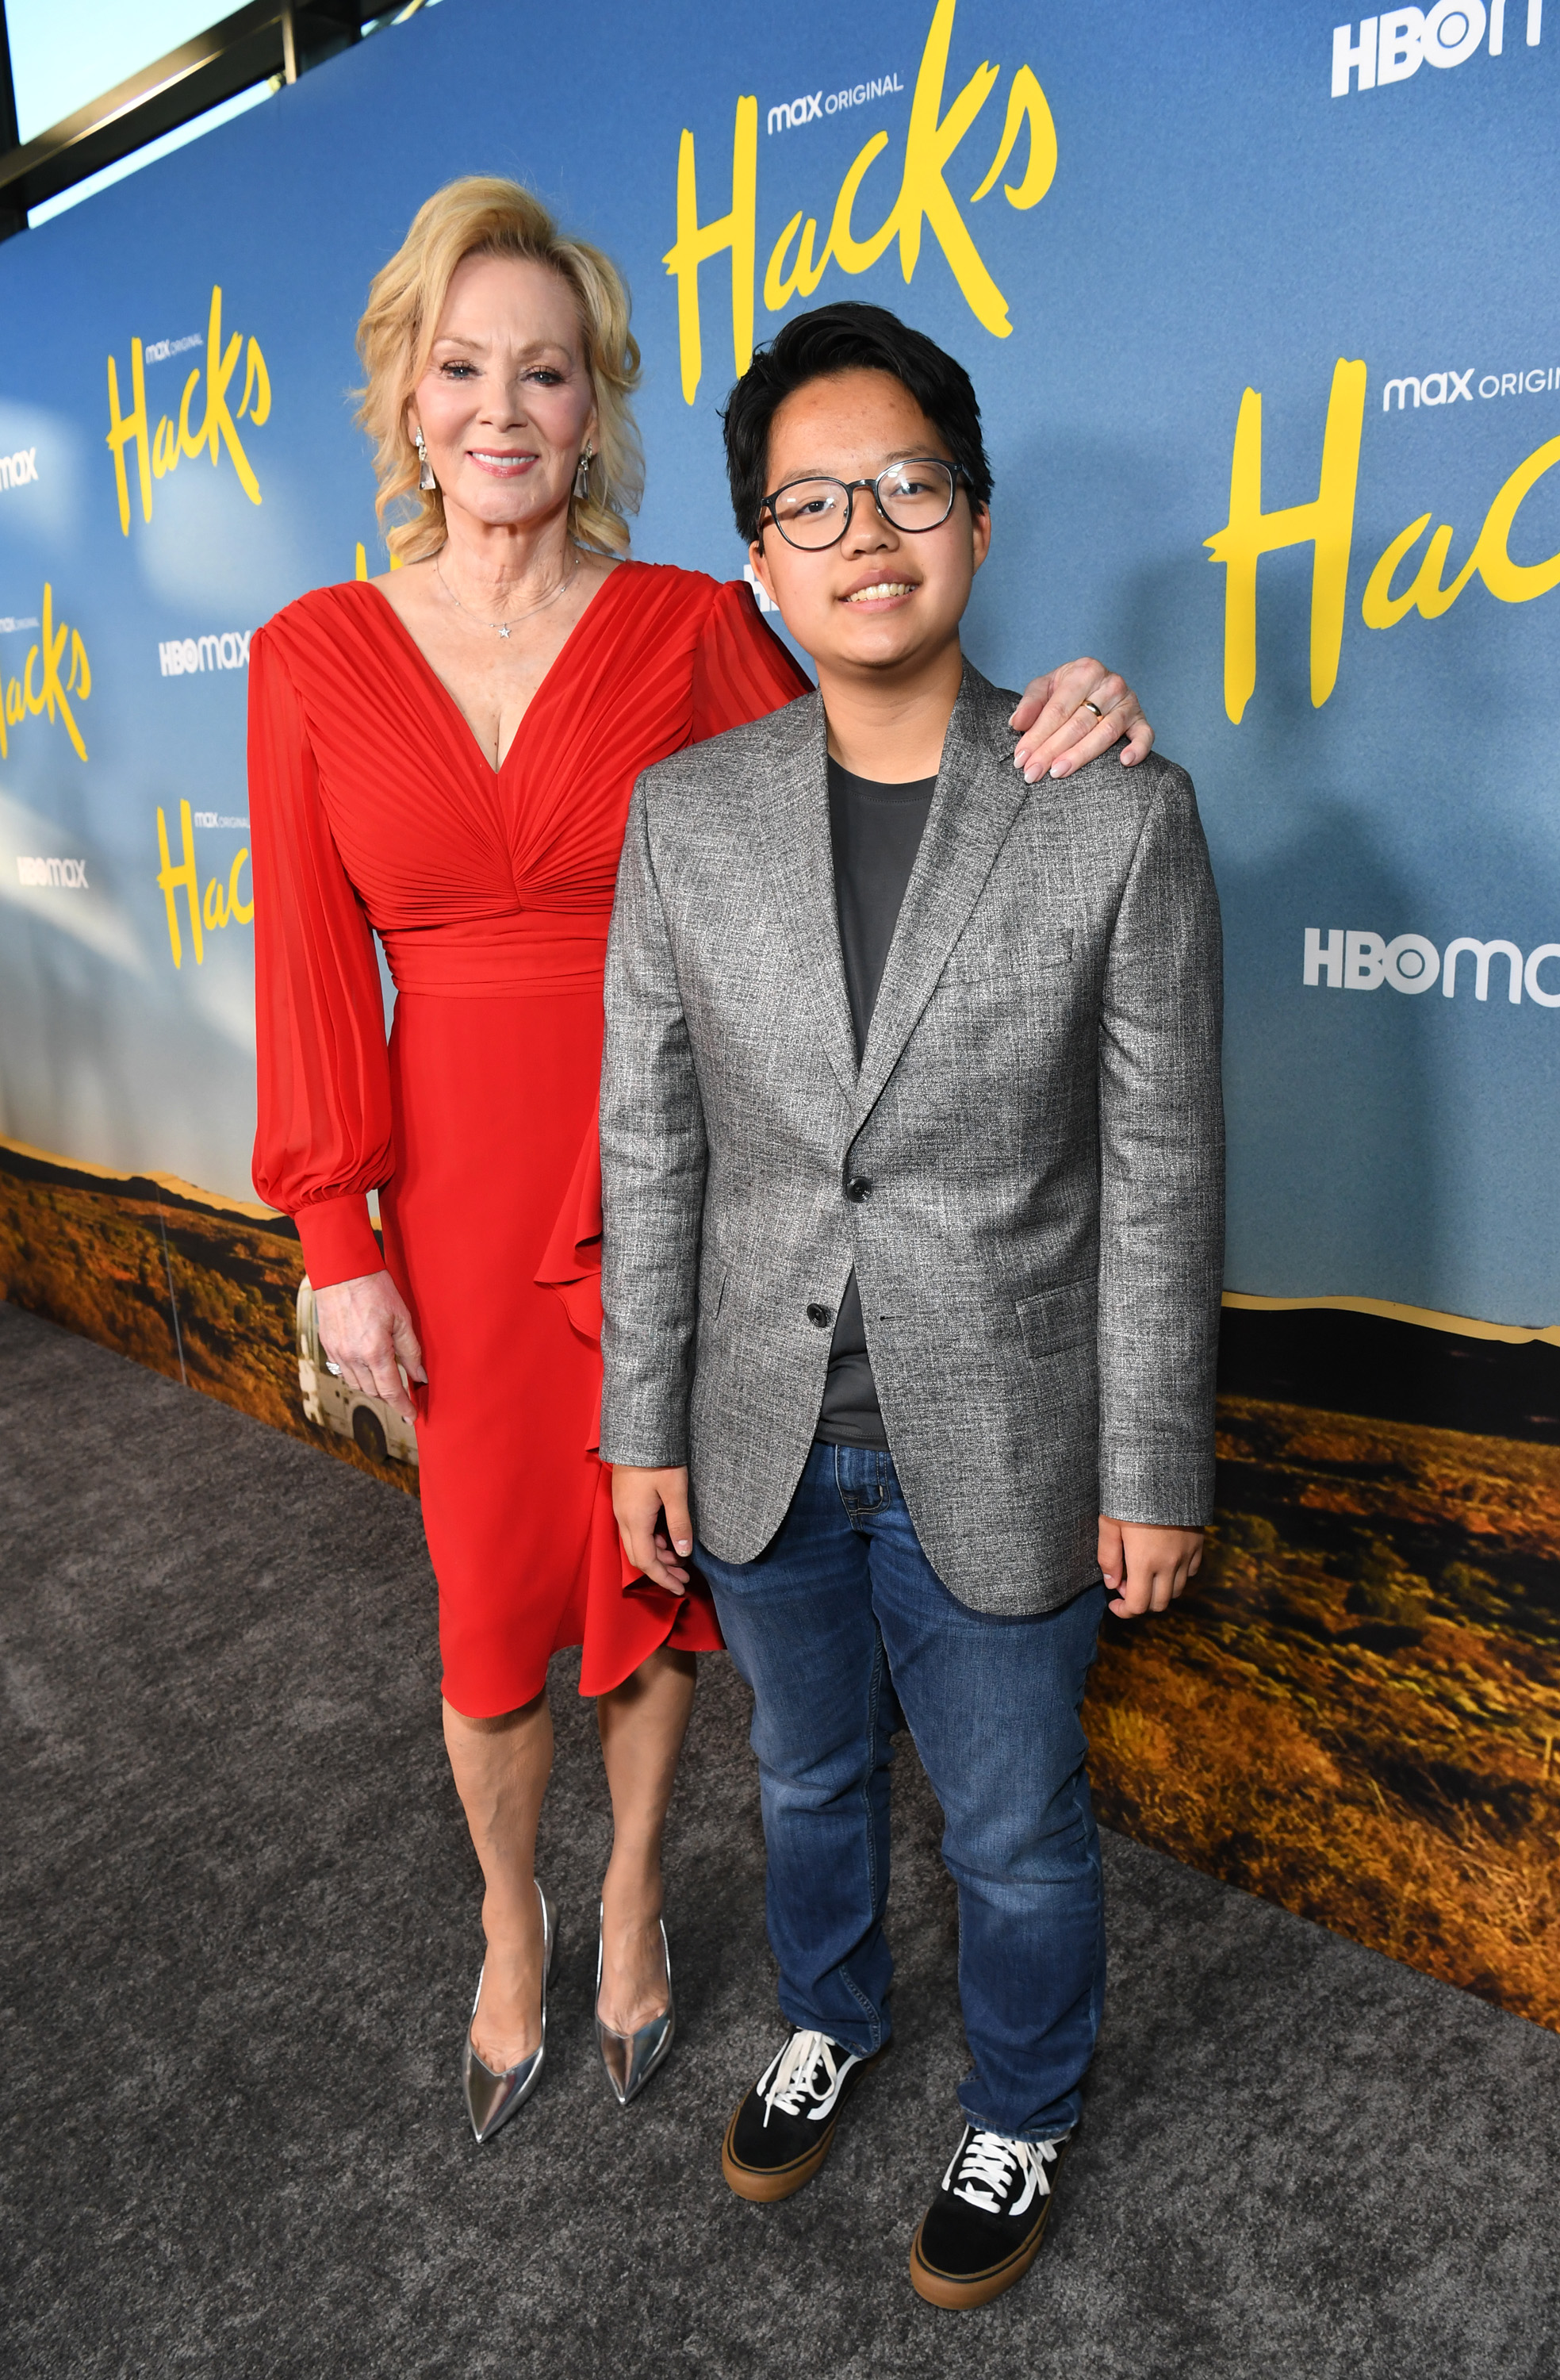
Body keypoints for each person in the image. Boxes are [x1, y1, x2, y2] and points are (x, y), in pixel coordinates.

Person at [248, 179, 1162, 2146]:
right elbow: (312, 969)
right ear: (408, 397)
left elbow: (882, 757)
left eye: (548, 372)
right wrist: (340, 1232)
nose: (504, 407)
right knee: (493, 1617)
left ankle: (639, 1897)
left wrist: (1074, 717)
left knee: (652, 1581)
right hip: (460, 1206)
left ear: (598, 412)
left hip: (681, 1202)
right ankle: (511, 1925)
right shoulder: (310, 653)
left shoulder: (688, 622)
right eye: (463, 366)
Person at [601, 302, 1223, 2303]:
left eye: (908, 486)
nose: (866, 532)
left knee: (1020, 1832)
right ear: (760, 564)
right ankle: (835, 2016)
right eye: (812, 504)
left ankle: (1024, 2107)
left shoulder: (1113, 802)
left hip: (1013, 1435)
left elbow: (1160, 1172)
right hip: (761, 1438)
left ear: (972, 514)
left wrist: (1156, 1464)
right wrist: (640, 1420)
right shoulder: (686, 821)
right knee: (796, 1777)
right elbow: (657, 1150)